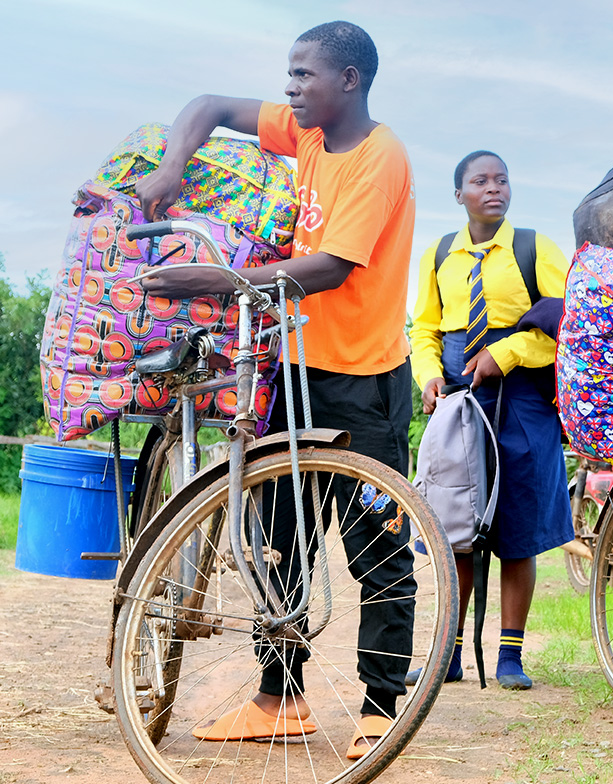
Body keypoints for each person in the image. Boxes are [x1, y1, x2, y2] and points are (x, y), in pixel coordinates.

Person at [135, 21, 419, 754]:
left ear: (349, 80)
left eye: (304, 75)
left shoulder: (379, 156)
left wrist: (218, 280)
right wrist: (172, 166)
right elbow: (206, 105)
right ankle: (277, 698)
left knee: (376, 548)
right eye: (288, 75)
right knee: (280, 541)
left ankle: (382, 707)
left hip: (364, 381)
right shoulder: (310, 136)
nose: (290, 88)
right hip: (292, 367)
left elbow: (330, 267)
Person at [408, 150, 572, 690]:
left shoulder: (534, 248)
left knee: (517, 527)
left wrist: (507, 354)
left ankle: (509, 656)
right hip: (459, 402)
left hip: (523, 402)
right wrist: (429, 375)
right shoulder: (439, 255)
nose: (493, 188)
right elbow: (424, 330)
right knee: (458, 523)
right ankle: (449, 655)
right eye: (479, 181)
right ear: (459, 194)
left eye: (502, 178)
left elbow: (570, 320)